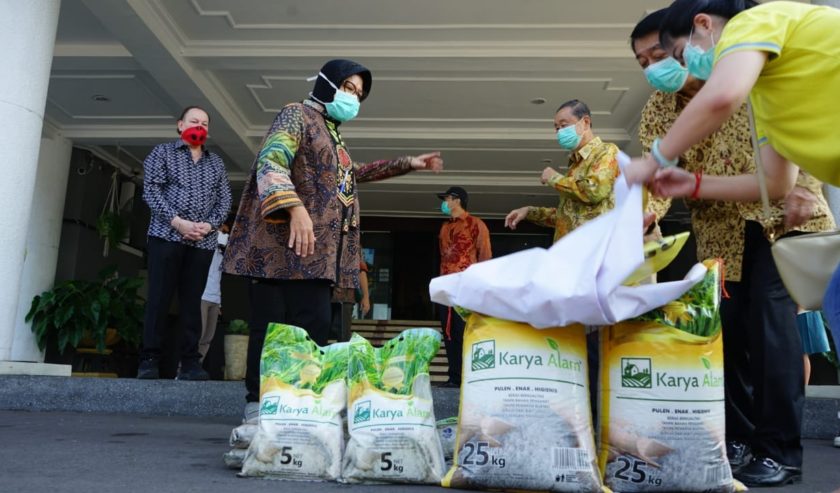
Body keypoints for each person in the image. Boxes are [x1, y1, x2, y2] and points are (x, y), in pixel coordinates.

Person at [624, 0, 840, 485]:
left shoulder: (746, 60)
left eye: (662, 54)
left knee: (771, 328)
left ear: (694, 31)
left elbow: (785, 158)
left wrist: (805, 188)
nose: (656, 67)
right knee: (729, 336)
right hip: (720, 230)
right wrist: (649, 209)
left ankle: (778, 450)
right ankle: (739, 440)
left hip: (779, 223)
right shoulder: (659, 109)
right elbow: (660, 184)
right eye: (643, 63)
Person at [222, 59, 444, 421]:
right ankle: (258, 405)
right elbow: (272, 160)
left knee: (313, 331)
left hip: (317, 257)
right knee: (272, 331)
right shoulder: (296, 115)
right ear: (326, 84)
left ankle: (298, 405)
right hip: (280, 252)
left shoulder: (331, 134)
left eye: (359, 94)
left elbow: (351, 175)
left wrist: (407, 163)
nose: (353, 98)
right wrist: (294, 208)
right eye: (347, 88)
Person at [138, 106, 232, 380]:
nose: (199, 126)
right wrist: (177, 222)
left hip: (202, 242)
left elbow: (225, 199)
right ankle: (149, 360)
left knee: (192, 303)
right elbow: (151, 191)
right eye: (194, 121)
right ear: (180, 125)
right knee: (159, 299)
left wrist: (210, 225)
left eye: (204, 123)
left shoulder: (216, 163)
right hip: (165, 236)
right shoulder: (162, 153)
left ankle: (190, 363)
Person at [504, 99, 620, 241]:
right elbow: (566, 217)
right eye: (557, 128)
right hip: (570, 249)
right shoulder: (574, 166)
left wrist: (554, 178)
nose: (559, 132)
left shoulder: (607, 151)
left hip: (594, 247)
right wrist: (529, 212)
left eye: (564, 125)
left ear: (585, 122)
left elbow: (594, 191)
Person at [436, 186, 492, 387]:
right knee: (448, 332)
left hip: (467, 287)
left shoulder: (476, 224)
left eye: (447, 199)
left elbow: (485, 256)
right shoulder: (444, 227)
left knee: (464, 331)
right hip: (446, 287)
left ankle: (470, 378)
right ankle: (454, 377)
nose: (444, 203)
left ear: (457, 200)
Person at [197, 222, 230, 361]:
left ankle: (198, 364)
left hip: (215, 298)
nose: (224, 234)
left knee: (208, 337)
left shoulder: (222, 255)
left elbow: (218, 278)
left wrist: (220, 304)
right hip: (202, 296)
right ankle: (184, 367)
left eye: (225, 233)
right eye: (222, 232)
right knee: (199, 334)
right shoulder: (206, 247)